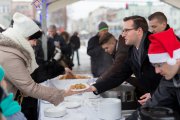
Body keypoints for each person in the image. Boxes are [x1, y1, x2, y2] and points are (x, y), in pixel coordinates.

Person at [0, 12, 79, 107]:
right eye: (34, 40)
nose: (35, 44)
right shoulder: (10, 55)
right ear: (24, 37)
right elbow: (30, 87)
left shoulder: (12, 48)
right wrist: (63, 93)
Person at [89, 16, 162, 105]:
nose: (123, 35)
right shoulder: (132, 50)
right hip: (153, 99)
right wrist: (95, 87)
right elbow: (121, 74)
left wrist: (154, 94)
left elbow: (171, 78)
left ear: (139, 31)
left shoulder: (156, 45)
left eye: (126, 30)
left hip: (167, 101)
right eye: (123, 31)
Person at [126, 28, 180, 120]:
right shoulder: (169, 79)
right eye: (154, 66)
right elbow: (153, 104)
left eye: (159, 65)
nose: (157, 71)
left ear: (174, 59)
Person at [97, 32, 147, 100]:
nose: (105, 51)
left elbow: (116, 67)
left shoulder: (122, 49)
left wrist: (101, 79)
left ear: (112, 42)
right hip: (137, 83)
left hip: (143, 85)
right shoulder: (118, 49)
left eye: (106, 48)